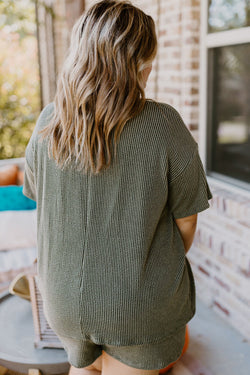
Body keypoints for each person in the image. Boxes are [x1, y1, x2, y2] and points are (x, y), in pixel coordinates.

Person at [23, 1, 213, 374]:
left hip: (63, 302)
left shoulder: (49, 121)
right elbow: (186, 224)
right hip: (139, 309)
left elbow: (40, 201)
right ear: (141, 60)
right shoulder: (163, 124)